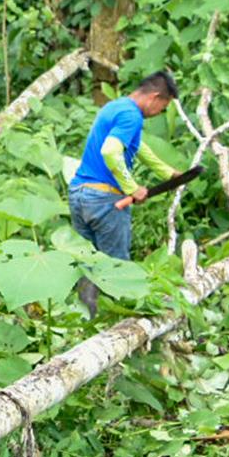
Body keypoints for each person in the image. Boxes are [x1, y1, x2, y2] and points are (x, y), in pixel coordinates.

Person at [68, 71, 180, 314]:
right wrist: (132, 188)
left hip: (79, 194)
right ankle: (120, 323)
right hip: (104, 199)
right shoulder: (132, 116)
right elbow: (110, 151)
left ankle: (85, 320)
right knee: (116, 266)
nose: (159, 113)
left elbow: (138, 146)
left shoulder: (115, 107)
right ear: (155, 97)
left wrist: (168, 173)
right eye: (163, 107)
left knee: (89, 262)